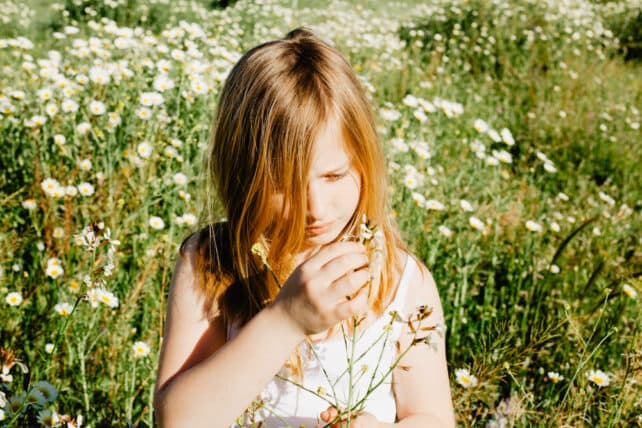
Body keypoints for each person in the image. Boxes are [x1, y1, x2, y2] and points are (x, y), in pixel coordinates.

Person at [154, 27, 455, 428]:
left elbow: (432, 416)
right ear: (243, 174)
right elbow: (177, 421)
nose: (315, 209)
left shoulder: (402, 281)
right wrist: (286, 319)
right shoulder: (213, 264)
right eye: (283, 183)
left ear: (364, 160)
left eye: (333, 175)